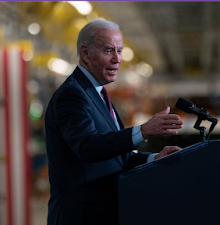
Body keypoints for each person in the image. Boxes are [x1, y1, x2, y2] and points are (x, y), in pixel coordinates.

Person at [44, 19, 184, 225]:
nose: (117, 59)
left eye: (120, 51)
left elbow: (116, 159)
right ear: (85, 53)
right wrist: (143, 131)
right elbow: (88, 147)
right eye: (109, 50)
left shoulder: (98, 94)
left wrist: (154, 158)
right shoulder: (72, 95)